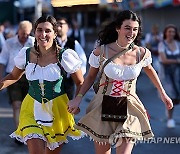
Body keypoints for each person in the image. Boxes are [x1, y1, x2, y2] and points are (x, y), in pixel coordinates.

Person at [68, 10, 173, 154]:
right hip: (103, 104)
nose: (131, 32)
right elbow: (91, 77)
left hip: (129, 106)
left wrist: (163, 93)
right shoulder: (101, 51)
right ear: (118, 28)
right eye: (127, 28)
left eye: (135, 29)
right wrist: (78, 98)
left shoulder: (141, 53)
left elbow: (149, 69)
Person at [0, 15, 84, 153]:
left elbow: (80, 82)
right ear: (34, 32)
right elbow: (14, 76)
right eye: (39, 30)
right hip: (31, 107)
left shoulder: (64, 55)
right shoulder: (26, 54)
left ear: (55, 33)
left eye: (47, 31)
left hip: (58, 109)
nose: (43, 34)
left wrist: (77, 99)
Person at [0, 20, 34, 145]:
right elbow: (2, 61)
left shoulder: (34, 43)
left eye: (27, 33)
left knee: (29, 107)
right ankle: (19, 133)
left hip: (30, 78)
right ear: (18, 31)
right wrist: (1, 78)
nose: (24, 36)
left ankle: (29, 131)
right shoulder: (9, 43)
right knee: (16, 105)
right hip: (13, 77)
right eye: (22, 33)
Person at [56, 17, 87, 100]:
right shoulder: (51, 43)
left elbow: (82, 60)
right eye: (57, 24)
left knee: (68, 108)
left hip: (69, 81)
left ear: (68, 27)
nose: (59, 27)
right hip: (53, 81)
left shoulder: (73, 43)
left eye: (61, 24)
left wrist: (77, 75)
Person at [158, 24, 180, 128]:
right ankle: (170, 118)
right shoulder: (162, 44)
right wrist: (177, 60)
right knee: (171, 96)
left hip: (177, 73)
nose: (171, 33)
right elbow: (164, 60)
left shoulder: (177, 43)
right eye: (169, 31)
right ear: (166, 33)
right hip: (166, 75)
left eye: (173, 32)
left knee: (178, 95)